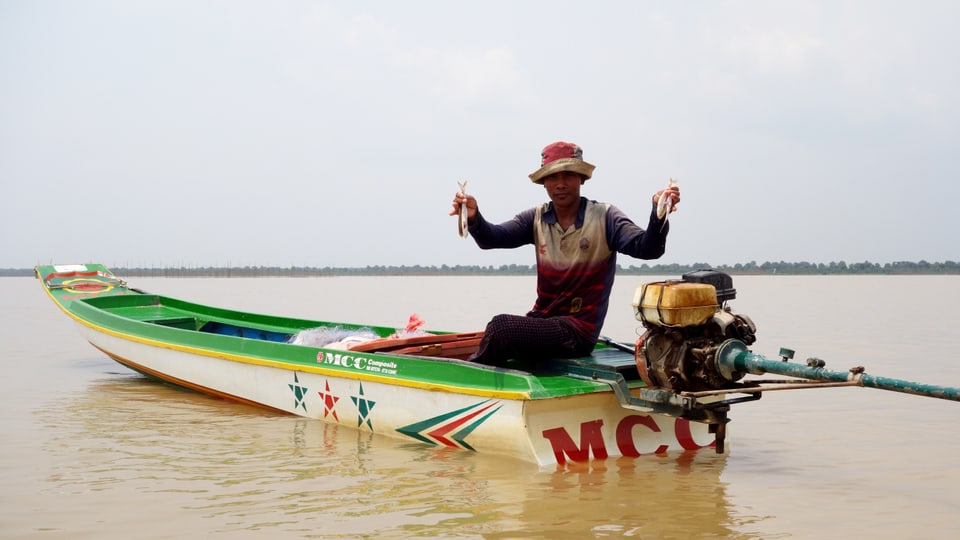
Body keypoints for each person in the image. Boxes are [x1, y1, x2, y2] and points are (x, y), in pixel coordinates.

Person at [449, 141, 680, 366]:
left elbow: (648, 249)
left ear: (581, 178)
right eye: (552, 177)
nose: (560, 183)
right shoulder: (536, 218)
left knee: (501, 327)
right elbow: (493, 238)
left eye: (568, 175)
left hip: (578, 333)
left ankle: (472, 372)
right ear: (544, 183)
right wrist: (473, 217)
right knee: (498, 331)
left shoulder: (605, 217)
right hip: (543, 323)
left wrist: (658, 213)